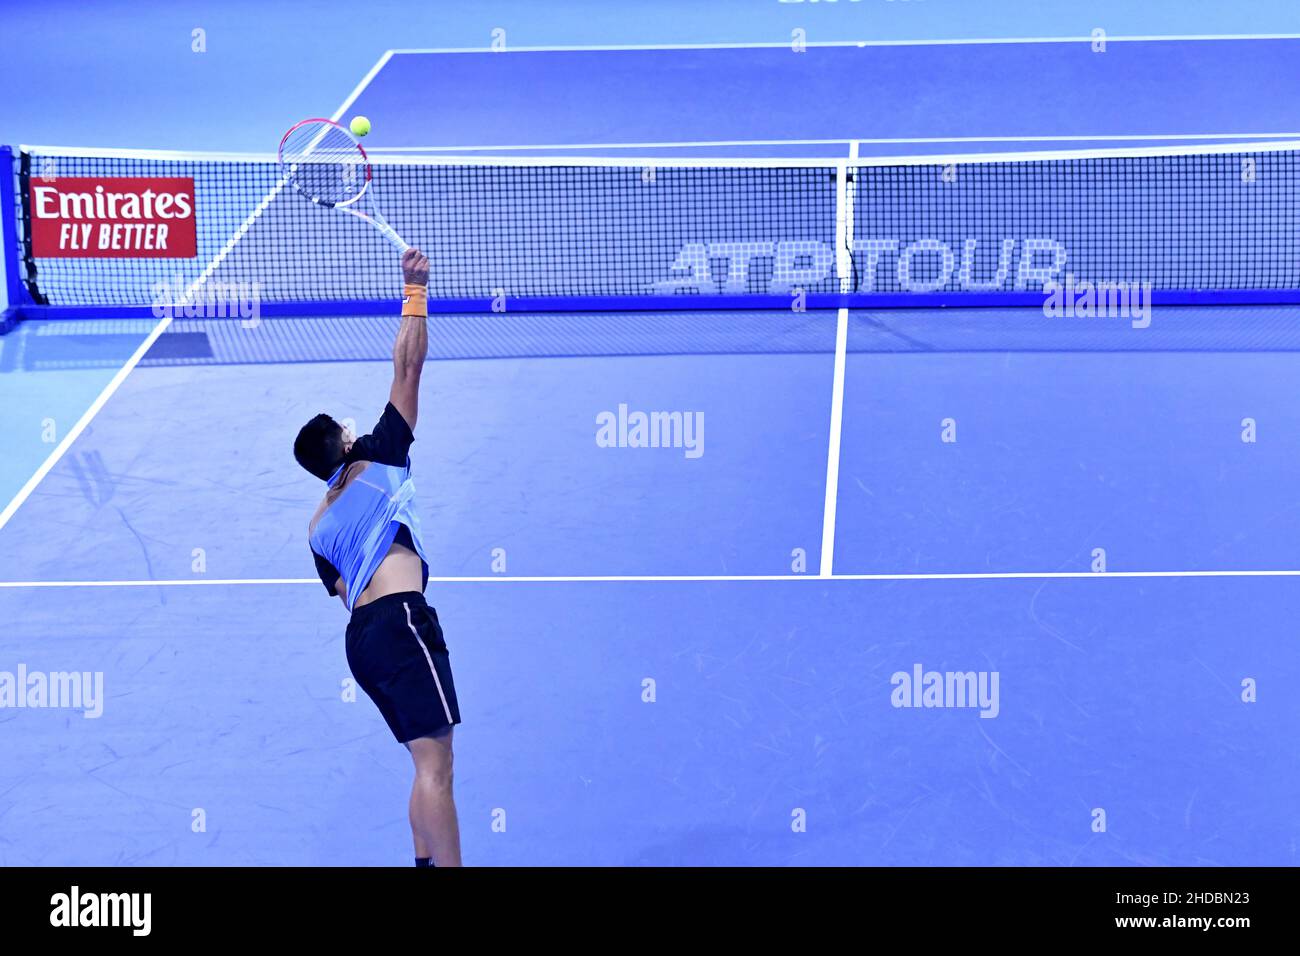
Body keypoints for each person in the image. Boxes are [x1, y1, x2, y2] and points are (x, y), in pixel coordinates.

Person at [293, 248, 461, 867]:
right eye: (343, 424)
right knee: (438, 769)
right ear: (344, 441)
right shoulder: (379, 457)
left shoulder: (316, 526)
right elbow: (408, 368)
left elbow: (342, 590)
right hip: (402, 621)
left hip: (363, 641)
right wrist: (414, 289)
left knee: (424, 763)